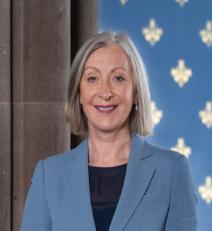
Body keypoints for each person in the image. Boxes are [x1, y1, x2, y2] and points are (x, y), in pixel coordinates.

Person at [20, 31, 197, 231]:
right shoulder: (48, 176)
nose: (105, 93)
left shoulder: (171, 171)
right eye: (93, 78)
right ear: (78, 93)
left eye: (118, 78)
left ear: (136, 93)